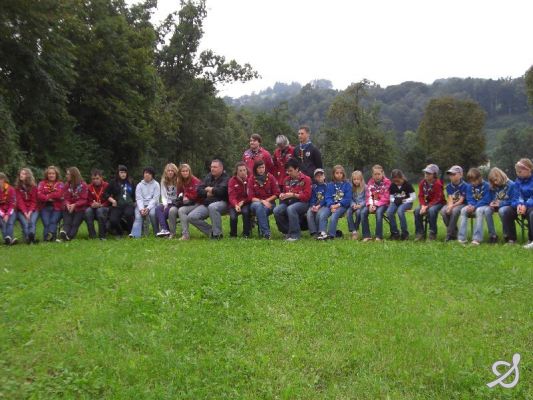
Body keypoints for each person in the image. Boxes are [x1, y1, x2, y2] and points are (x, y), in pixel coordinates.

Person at [188, 159, 229, 239]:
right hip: (208, 202)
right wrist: (207, 193)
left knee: (213, 207)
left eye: (215, 167)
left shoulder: (226, 178)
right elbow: (199, 190)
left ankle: (217, 234)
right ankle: (212, 232)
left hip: (222, 202)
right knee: (191, 217)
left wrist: (211, 189)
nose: (212, 169)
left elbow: (222, 191)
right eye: (211, 167)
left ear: (221, 168)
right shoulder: (209, 176)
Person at [273, 158, 312, 241]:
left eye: (290, 171)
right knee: (277, 210)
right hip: (288, 202)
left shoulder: (306, 179)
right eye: (287, 171)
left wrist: (293, 195)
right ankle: (287, 232)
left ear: (297, 169)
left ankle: (295, 235)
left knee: (291, 209)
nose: (288, 173)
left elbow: (307, 196)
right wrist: (282, 195)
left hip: (302, 203)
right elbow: (284, 192)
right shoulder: (286, 180)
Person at [316, 165, 352, 240]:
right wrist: (331, 205)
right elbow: (327, 197)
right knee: (323, 214)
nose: (339, 175)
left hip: (342, 206)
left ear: (343, 174)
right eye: (337, 173)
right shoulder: (330, 185)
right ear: (333, 174)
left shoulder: (347, 185)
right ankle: (322, 233)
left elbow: (348, 199)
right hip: (331, 205)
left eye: (341, 173)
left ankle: (331, 235)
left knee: (334, 215)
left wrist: (338, 205)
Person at [484, 167, 519, 244]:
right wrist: (491, 202)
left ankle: (507, 235)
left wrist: (500, 203)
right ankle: (493, 236)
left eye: (496, 180)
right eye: (493, 181)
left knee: (502, 210)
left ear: (500, 176)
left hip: (507, 206)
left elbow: (513, 200)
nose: (495, 183)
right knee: (487, 210)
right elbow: (490, 197)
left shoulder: (511, 185)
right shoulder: (493, 185)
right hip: (495, 206)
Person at [458, 168, 491, 245]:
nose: (473, 183)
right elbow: (469, 197)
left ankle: (477, 238)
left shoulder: (487, 185)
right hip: (472, 205)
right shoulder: (469, 186)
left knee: (478, 210)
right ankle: (462, 238)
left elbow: (486, 199)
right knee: (463, 210)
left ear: (480, 178)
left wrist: (475, 206)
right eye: (471, 181)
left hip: (483, 205)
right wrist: (470, 205)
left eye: (475, 181)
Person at [248, 160, 280, 239]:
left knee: (261, 210)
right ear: (255, 169)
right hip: (255, 203)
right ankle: (266, 233)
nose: (261, 169)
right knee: (260, 206)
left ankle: (263, 233)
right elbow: (251, 197)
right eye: (259, 168)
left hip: (270, 203)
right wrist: (262, 201)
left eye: (263, 167)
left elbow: (277, 193)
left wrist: (267, 200)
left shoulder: (270, 177)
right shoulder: (251, 179)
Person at [414, 164, 445, 241]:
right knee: (417, 210)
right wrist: (423, 205)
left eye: (429, 173)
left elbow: (438, 198)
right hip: (426, 203)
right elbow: (420, 196)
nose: (426, 174)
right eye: (425, 172)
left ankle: (432, 233)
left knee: (432, 210)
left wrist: (427, 207)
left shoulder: (437, 183)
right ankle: (420, 233)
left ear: (434, 174)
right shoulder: (422, 183)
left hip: (439, 203)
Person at [361, 165, 391, 242]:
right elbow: (368, 195)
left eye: (379, 174)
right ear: (372, 175)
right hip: (373, 204)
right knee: (363, 212)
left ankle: (378, 236)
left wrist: (376, 205)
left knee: (379, 212)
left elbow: (386, 197)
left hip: (384, 204)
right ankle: (366, 236)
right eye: (375, 174)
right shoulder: (370, 182)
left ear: (382, 173)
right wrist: (370, 205)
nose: (377, 176)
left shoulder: (387, 182)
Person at [105, 165, 135, 237]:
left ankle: (131, 232)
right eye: (121, 172)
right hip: (117, 205)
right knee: (113, 220)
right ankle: (120, 232)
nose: (123, 174)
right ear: (118, 173)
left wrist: (134, 202)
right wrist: (112, 201)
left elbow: (134, 194)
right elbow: (106, 194)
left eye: (125, 172)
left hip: (128, 204)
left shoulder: (131, 182)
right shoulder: (113, 182)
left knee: (129, 214)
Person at [130, 166, 160, 238]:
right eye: (146, 173)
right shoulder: (139, 185)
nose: (147, 175)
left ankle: (157, 232)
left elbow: (155, 198)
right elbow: (139, 199)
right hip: (141, 205)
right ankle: (135, 235)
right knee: (138, 216)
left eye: (149, 173)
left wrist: (148, 208)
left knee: (152, 214)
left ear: (152, 175)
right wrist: (141, 209)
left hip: (152, 205)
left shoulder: (156, 184)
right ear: (143, 174)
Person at [60, 167, 88, 241]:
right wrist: (67, 204)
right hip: (68, 207)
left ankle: (70, 236)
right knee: (67, 221)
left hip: (79, 208)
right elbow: (65, 198)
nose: (66, 176)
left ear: (73, 175)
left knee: (75, 223)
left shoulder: (83, 185)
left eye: (68, 174)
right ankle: (64, 232)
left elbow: (84, 199)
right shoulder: (67, 185)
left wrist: (75, 205)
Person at [386, 169, 415, 241]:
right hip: (395, 202)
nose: (396, 183)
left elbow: (413, 197)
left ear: (402, 178)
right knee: (389, 212)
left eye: (398, 181)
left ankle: (405, 233)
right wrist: (395, 200)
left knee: (400, 211)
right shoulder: (392, 185)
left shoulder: (407, 185)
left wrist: (405, 200)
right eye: (394, 181)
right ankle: (395, 233)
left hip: (407, 203)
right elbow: (391, 197)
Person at [440, 165, 467, 241]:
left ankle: (449, 235)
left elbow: (461, 200)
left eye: (453, 174)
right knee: (443, 211)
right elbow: (450, 198)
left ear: (460, 175)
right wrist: (449, 206)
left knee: (454, 211)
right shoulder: (449, 186)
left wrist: (452, 207)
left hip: (462, 204)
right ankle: (454, 232)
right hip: (453, 203)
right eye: (450, 174)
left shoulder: (465, 186)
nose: (451, 176)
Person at [37, 166, 64, 242]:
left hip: (57, 208)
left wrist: (47, 195)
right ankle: (50, 238)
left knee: (53, 221)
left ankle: (48, 237)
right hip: (44, 207)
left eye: (53, 173)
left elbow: (59, 194)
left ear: (56, 174)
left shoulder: (60, 184)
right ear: (47, 174)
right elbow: (39, 195)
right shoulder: (42, 183)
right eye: (49, 173)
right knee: (46, 223)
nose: (51, 175)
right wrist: (48, 198)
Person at [176, 163, 202, 241]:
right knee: (174, 209)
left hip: (198, 203)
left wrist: (186, 195)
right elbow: (179, 193)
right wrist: (181, 197)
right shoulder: (180, 181)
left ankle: (185, 235)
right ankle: (172, 232)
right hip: (188, 203)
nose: (185, 173)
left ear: (189, 171)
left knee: (181, 210)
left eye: (186, 171)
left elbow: (197, 195)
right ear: (180, 172)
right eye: (183, 171)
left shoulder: (195, 181)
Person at [513, 158, 533, 249]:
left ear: (528, 170)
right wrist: (519, 204)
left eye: (520, 171)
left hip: (530, 205)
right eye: (517, 172)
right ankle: (510, 239)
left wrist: (525, 205)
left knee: (532, 213)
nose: (518, 173)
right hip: (521, 205)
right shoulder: (517, 181)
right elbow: (516, 195)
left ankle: (531, 239)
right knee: (506, 211)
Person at [14, 168, 39, 244]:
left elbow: (34, 201)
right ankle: (29, 239)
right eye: (21, 173)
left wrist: (30, 212)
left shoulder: (34, 187)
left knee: (32, 222)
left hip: (33, 209)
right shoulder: (17, 188)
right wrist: (25, 213)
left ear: (28, 176)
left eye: (24, 174)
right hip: (21, 210)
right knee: (25, 223)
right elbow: (19, 202)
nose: (21, 175)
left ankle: (31, 237)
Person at [156, 163, 180, 238]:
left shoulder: (178, 180)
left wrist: (171, 203)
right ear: (166, 172)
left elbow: (180, 195)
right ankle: (165, 230)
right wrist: (165, 204)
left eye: (172, 171)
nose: (170, 172)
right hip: (167, 202)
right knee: (158, 208)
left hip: (176, 203)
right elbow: (163, 195)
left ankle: (165, 230)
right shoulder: (163, 181)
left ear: (175, 172)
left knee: (163, 214)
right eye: (168, 170)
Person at [228, 162, 252, 238]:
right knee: (233, 217)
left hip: (246, 203)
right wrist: (236, 205)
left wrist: (243, 202)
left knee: (245, 212)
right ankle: (233, 235)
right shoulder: (232, 181)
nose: (243, 172)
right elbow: (231, 196)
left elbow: (251, 195)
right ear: (236, 172)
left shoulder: (250, 180)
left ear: (247, 170)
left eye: (244, 170)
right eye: (240, 170)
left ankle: (246, 234)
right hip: (234, 204)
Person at [85, 169, 110, 240]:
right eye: (93, 179)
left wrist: (101, 205)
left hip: (105, 207)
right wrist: (92, 204)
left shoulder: (107, 185)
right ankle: (92, 235)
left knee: (100, 210)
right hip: (93, 207)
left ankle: (102, 235)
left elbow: (110, 200)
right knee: (88, 211)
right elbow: (87, 200)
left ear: (101, 178)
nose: (95, 180)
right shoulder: (89, 187)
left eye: (97, 178)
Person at [306, 168, 327, 237]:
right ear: (315, 178)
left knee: (319, 213)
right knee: (309, 213)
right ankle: (313, 232)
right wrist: (313, 205)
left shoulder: (327, 187)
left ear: (324, 176)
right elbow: (312, 198)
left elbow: (326, 199)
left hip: (323, 205)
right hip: (315, 205)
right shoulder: (314, 187)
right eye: (317, 176)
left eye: (321, 175)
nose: (319, 177)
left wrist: (319, 206)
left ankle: (319, 231)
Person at [347, 170, 366, 240]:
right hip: (353, 205)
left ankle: (355, 228)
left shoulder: (365, 187)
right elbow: (350, 198)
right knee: (348, 212)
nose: (356, 181)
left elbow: (366, 199)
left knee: (358, 213)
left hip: (361, 205)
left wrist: (360, 205)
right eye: (354, 179)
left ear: (361, 179)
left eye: (358, 179)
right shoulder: (351, 187)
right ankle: (353, 231)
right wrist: (353, 204)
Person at [0, 172, 18, 245]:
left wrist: (7, 214)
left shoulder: (11, 189)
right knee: (2, 223)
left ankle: (8, 239)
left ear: (3, 179)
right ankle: (9, 239)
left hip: (11, 210)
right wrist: (3, 214)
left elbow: (12, 204)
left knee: (10, 222)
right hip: (0, 211)